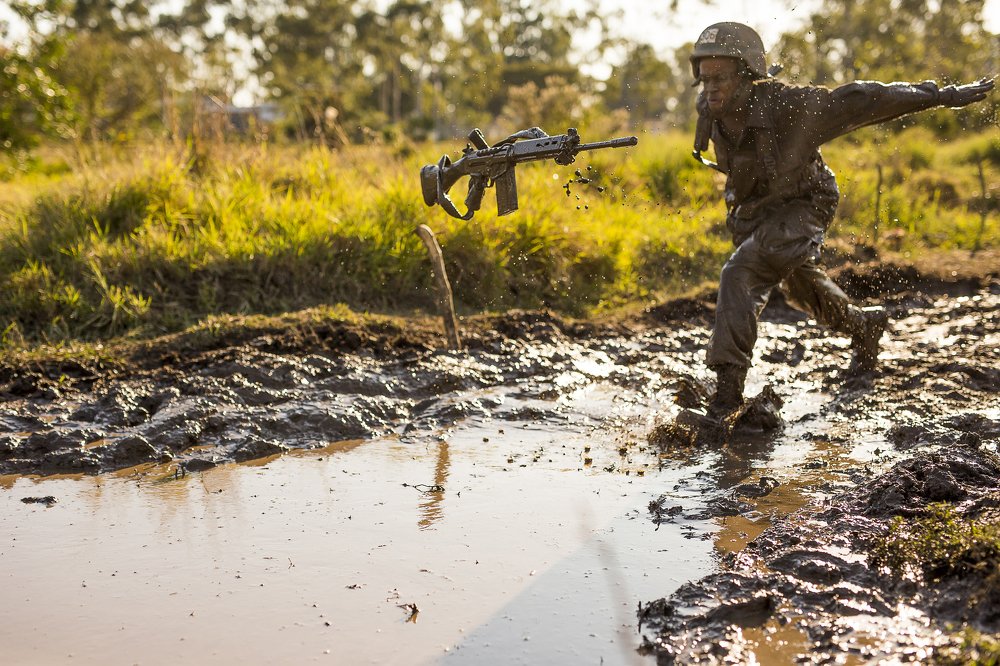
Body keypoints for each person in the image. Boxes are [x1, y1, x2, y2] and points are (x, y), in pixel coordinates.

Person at [689, 21, 995, 417]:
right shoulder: (709, 109)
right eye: (704, 78)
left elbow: (863, 99)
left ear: (748, 77)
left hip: (806, 203)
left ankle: (725, 399)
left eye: (721, 78)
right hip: (760, 212)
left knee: (741, 274)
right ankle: (863, 327)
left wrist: (940, 95)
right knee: (800, 287)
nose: (710, 88)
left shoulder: (787, 105)